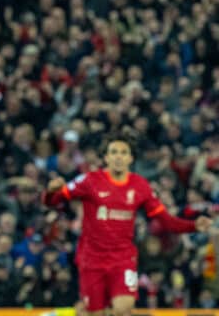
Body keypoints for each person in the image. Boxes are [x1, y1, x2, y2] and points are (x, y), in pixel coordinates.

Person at [43, 131, 213, 316]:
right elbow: (53, 201)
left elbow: (165, 220)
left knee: (123, 308)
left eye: (123, 152)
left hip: (122, 259)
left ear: (130, 158)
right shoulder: (90, 181)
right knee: (95, 313)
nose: (118, 156)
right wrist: (51, 192)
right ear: (106, 158)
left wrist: (193, 225)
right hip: (92, 259)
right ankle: (73, 312)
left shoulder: (140, 186)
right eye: (114, 152)